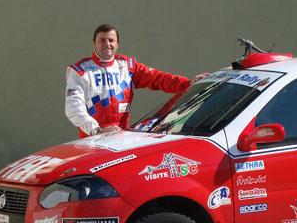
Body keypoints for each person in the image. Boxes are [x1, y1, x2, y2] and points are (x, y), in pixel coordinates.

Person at [65, 23, 204, 138]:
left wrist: (187, 84)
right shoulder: (79, 71)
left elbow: (157, 78)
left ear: (117, 44)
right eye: (102, 40)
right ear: (94, 43)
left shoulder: (127, 66)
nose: (107, 44)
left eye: (111, 40)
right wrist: (96, 130)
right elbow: (74, 108)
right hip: (91, 140)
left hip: (122, 138)